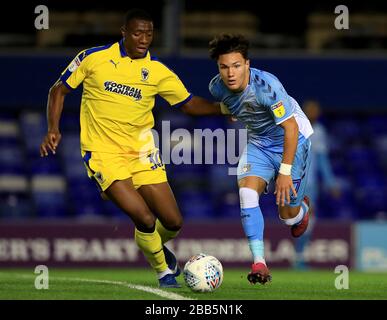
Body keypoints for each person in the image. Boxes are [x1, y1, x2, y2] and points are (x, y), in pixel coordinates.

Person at [39, 8, 221, 288]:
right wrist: (53, 128)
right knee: (144, 217)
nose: (144, 38)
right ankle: (163, 271)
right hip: (103, 153)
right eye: (137, 32)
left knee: (173, 221)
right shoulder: (93, 58)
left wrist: (223, 108)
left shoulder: (158, 71)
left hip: (142, 151)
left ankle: (154, 245)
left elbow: (190, 104)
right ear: (123, 32)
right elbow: (58, 90)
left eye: (149, 33)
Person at [207, 34, 314, 284]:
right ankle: (259, 263)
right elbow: (231, 105)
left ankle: (302, 211)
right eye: (224, 67)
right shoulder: (217, 87)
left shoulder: (267, 86)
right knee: (246, 193)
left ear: (247, 64)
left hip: (294, 141)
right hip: (258, 144)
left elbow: (291, 128)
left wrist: (285, 172)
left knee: (288, 216)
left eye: (236, 65)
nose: (230, 73)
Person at [293, 100, 341, 269]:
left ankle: (299, 259)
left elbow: (322, 160)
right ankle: (298, 258)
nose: (312, 113)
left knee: (308, 222)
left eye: (315, 111)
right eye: (309, 110)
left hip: (311, 184)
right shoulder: (294, 126)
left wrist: (331, 183)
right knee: (298, 220)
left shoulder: (319, 131)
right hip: (294, 182)